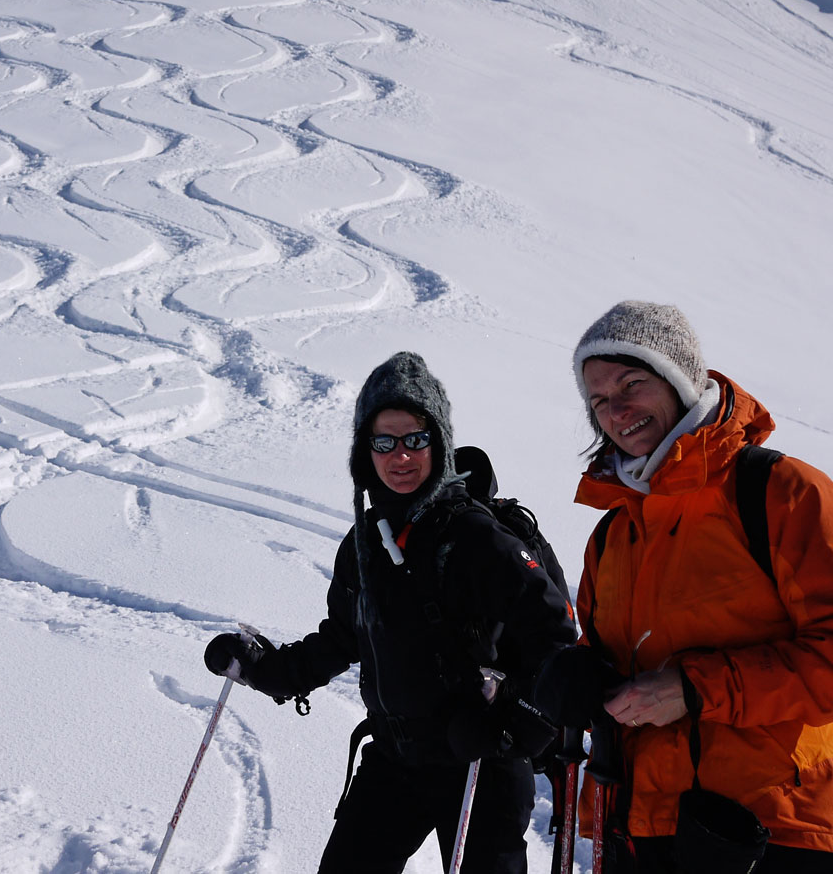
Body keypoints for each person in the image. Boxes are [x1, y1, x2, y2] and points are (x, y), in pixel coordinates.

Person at [536, 301, 833, 874]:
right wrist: (574, 677)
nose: (617, 410)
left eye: (632, 382)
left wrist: (695, 688)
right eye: (599, 400)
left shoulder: (782, 491)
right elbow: (610, 659)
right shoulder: (614, 532)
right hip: (644, 832)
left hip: (775, 834)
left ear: (679, 377)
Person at [204, 351, 575, 874]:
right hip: (396, 758)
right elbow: (343, 637)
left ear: (438, 443)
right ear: (365, 451)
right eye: (384, 441)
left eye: (415, 439)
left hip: (480, 767)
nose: (401, 456)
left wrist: (515, 728)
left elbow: (557, 637)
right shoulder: (365, 543)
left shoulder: (478, 537)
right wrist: (268, 669)